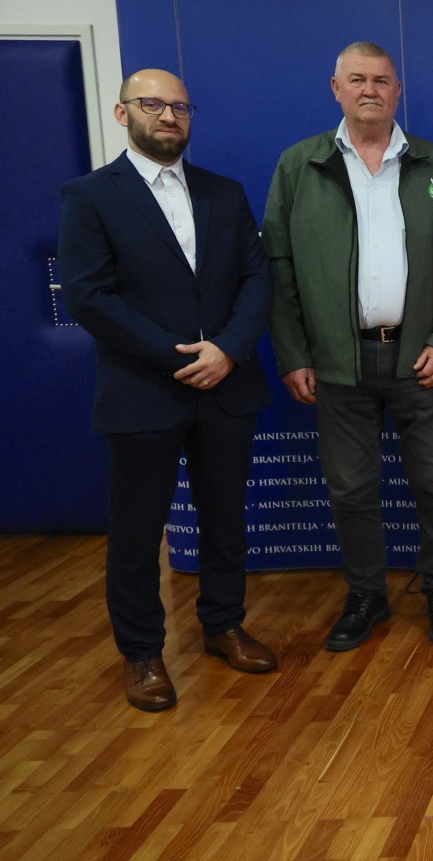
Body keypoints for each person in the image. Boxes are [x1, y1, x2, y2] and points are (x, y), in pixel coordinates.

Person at [58, 69, 276, 711]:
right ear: (122, 113)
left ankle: (223, 625)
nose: (168, 116)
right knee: (136, 532)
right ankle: (142, 654)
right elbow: (89, 297)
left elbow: (257, 279)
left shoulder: (223, 193)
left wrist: (227, 350)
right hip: (143, 388)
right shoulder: (90, 196)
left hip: (226, 383)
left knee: (225, 518)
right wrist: (179, 357)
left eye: (180, 106)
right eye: (152, 104)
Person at [264, 41, 433, 652]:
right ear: (336, 89)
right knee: (351, 489)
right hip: (337, 361)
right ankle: (366, 594)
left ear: (398, 91)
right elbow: (277, 267)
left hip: (423, 358)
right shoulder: (299, 166)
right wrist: (294, 353)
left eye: (381, 80)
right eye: (356, 79)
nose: (369, 90)